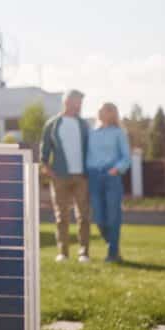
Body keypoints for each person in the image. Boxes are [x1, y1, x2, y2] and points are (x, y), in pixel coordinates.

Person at [40, 89, 92, 262]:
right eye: (77, 102)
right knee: (61, 216)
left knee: (83, 216)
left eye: (81, 102)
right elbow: (44, 150)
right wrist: (47, 168)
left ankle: (84, 253)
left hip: (81, 176)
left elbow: (90, 148)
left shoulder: (83, 125)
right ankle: (63, 252)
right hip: (60, 176)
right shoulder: (53, 124)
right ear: (67, 102)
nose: (79, 106)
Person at [87, 102, 131, 263]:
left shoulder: (118, 133)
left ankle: (112, 253)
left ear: (111, 113)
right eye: (99, 110)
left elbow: (126, 157)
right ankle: (113, 246)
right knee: (99, 218)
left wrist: (116, 169)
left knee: (113, 216)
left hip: (111, 176)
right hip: (94, 176)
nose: (100, 112)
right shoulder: (91, 133)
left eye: (103, 110)